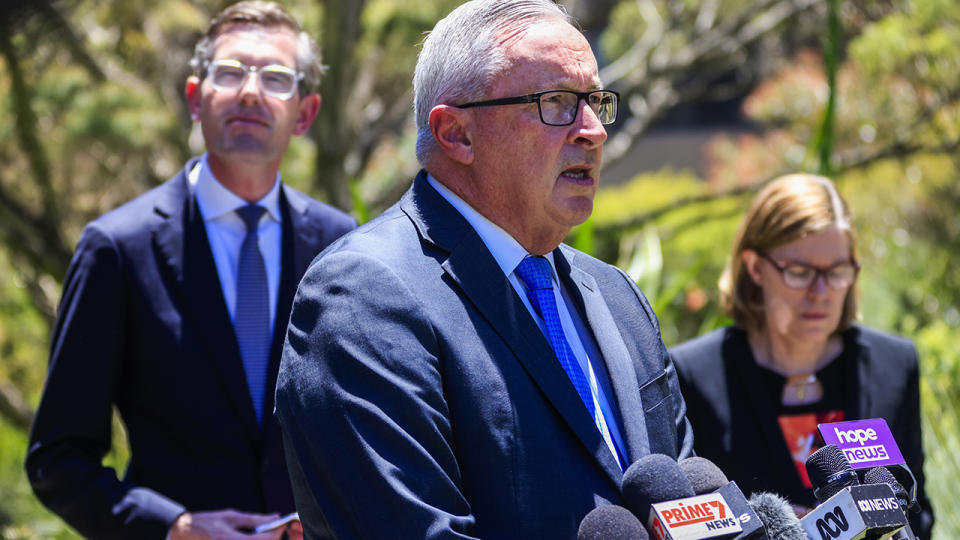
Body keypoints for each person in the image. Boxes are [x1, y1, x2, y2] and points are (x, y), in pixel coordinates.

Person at [274, 1, 693, 538]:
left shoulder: (617, 297)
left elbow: (688, 506)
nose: (593, 130)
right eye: (557, 102)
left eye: (594, 102)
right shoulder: (363, 297)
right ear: (456, 133)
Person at [25, 2, 356, 539]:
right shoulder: (117, 248)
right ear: (194, 97)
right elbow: (58, 458)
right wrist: (174, 527)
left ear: (305, 113)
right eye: (229, 72)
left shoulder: (342, 243)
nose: (250, 91)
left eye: (275, 78)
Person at [670, 173, 933, 537]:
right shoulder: (692, 375)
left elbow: (919, 514)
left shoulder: (894, 364)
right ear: (755, 267)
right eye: (800, 272)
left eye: (838, 271)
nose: (821, 292)